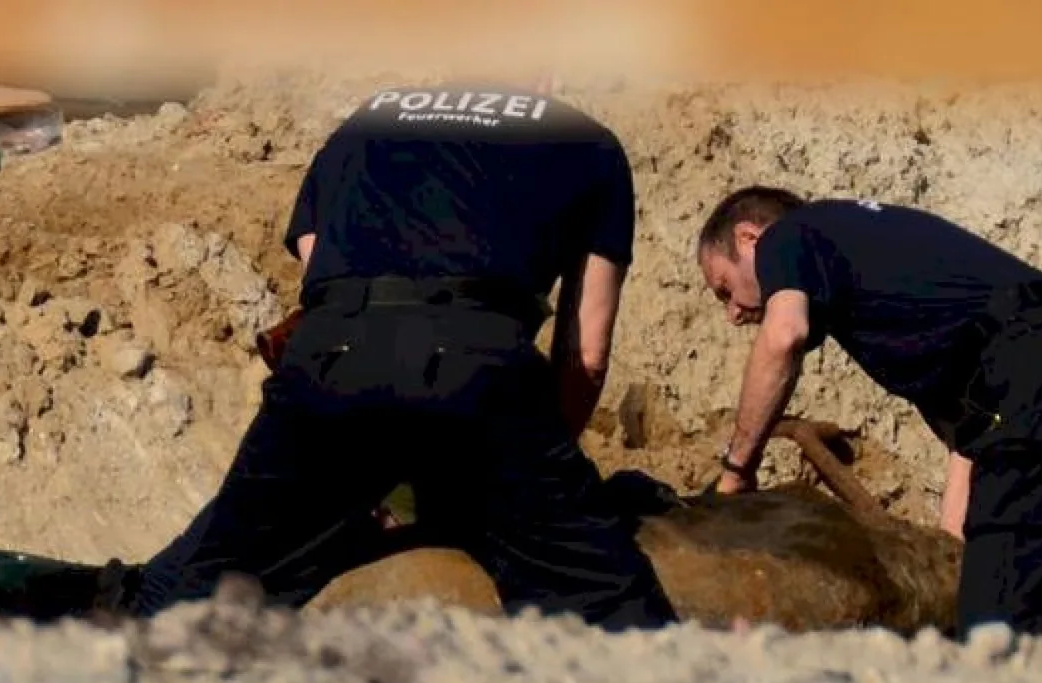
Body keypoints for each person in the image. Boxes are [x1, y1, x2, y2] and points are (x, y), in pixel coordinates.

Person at [126, 75, 680, 631]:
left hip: (332, 354)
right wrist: (544, 479)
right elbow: (586, 352)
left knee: (214, 585)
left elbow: (314, 260)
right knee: (607, 605)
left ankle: (135, 655)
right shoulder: (588, 141)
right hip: (475, 362)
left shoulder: (371, 116)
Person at [693, 186, 1042, 641]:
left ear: (749, 238)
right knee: (993, 609)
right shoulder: (886, 278)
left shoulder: (790, 235)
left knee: (1000, 626)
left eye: (724, 289)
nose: (732, 314)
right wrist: (951, 560)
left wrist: (737, 470)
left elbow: (784, 336)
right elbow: (971, 440)